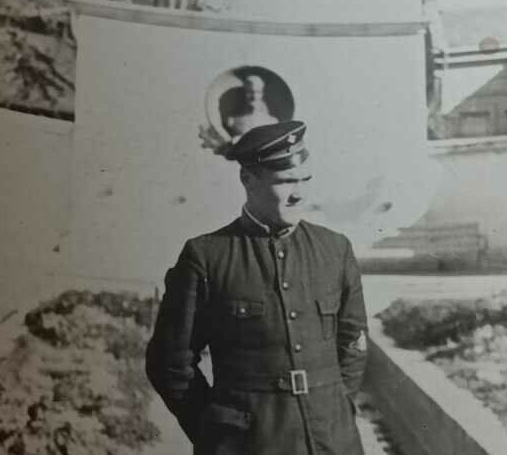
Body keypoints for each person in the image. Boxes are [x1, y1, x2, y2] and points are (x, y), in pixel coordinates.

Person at [146, 120, 368, 455]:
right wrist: (215, 433)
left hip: (333, 443)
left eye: (305, 179)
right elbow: (170, 364)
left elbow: (353, 344)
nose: (299, 193)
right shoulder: (207, 256)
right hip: (250, 445)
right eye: (285, 181)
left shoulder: (335, 250)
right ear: (248, 180)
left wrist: (334, 404)